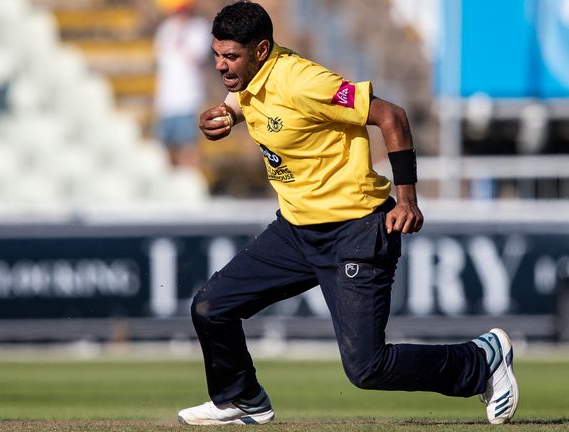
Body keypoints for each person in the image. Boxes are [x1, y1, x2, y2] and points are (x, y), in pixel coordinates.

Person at [180, 1, 519, 425]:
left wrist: (408, 199)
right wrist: (228, 113)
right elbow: (249, 97)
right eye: (216, 55)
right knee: (211, 308)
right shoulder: (253, 77)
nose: (221, 66)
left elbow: (392, 116)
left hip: (355, 230)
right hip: (297, 232)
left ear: (262, 50)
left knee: (366, 368)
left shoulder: (306, 81)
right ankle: (241, 397)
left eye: (231, 57)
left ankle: (481, 360)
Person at [153, 0, 210, 167]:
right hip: (167, 99)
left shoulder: (199, 28)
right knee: (164, 149)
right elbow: (162, 66)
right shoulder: (165, 29)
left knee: (189, 145)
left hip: (188, 98)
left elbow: (195, 57)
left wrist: (182, 36)